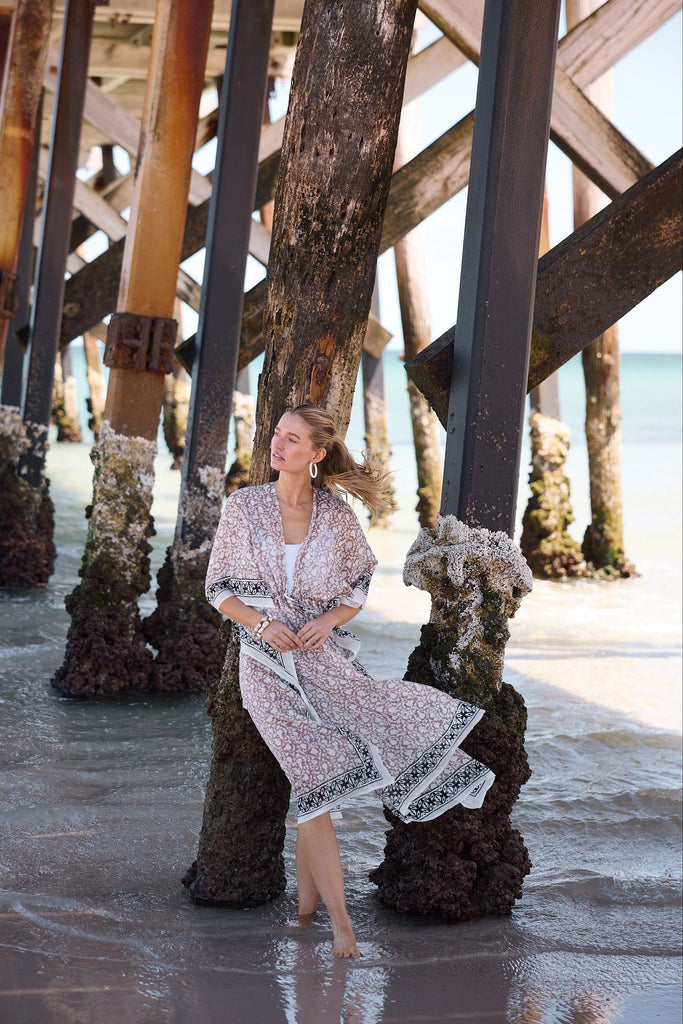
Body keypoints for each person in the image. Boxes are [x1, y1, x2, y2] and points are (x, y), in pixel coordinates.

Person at [205, 404, 495, 958]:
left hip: (322, 658)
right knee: (314, 783)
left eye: (291, 439)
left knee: (334, 767)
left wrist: (326, 620)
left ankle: (307, 913)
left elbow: (358, 587)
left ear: (316, 454)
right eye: (276, 435)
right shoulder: (243, 508)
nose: (277, 445)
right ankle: (342, 928)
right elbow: (218, 590)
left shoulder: (337, 517)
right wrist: (263, 624)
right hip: (265, 667)